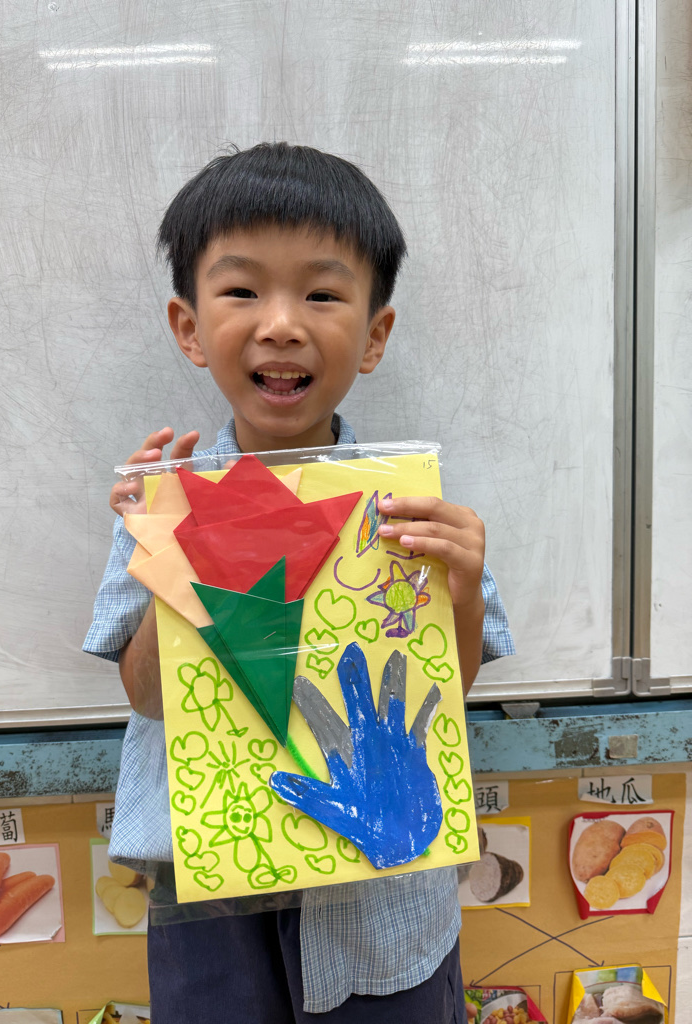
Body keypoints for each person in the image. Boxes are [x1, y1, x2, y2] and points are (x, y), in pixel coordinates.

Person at [84, 142, 514, 1023]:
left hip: (383, 894)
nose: (281, 324)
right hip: (211, 887)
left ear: (374, 334)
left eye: (321, 294)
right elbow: (148, 697)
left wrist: (464, 595)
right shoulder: (162, 505)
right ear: (189, 328)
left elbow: (446, 686)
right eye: (242, 291)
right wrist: (174, 559)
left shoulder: (407, 507)